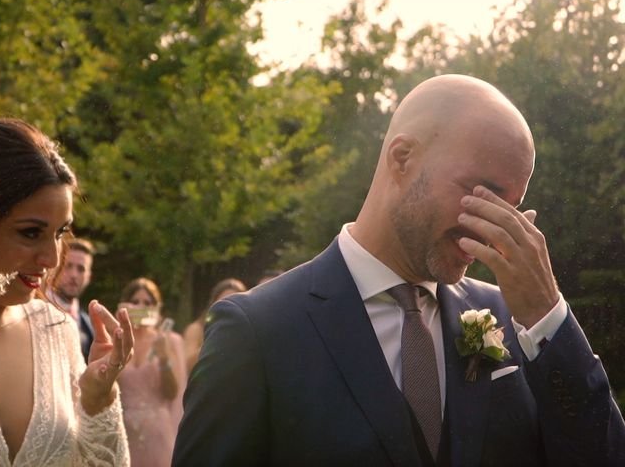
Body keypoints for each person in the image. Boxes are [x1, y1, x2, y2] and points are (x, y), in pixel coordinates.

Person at [172, 75, 625, 466]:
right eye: (481, 192)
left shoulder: (516, 322)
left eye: (510, 207)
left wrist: (550, 318)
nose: (493, 230)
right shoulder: (256, 331)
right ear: (402, 159)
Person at [0, 118, 133, 466]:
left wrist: (98, 401)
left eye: (59, 233)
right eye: (31, 233)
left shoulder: (56, 332)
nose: (52, 258)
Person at [116, 277, 186, 467]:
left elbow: (173, 393)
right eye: (135, 302)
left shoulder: (168, 340)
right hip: (123, 434)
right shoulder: (117, 341)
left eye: (147, 303)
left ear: (156, 308)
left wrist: (164, 359)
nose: (140, 307)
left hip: (159, 434)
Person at [182, 277, 246, 374]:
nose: (228, 308)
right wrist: (216, 337)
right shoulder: (196, 329)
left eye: (235, 303)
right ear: (213, 303)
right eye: (224, 302)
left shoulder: (247, 330)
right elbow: (187, 367)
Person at [49, 238, 95, 361]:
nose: (74, 275)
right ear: (54, 268)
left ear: (88, 277)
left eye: (81, 269)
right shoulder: (33, 309)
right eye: (68, 266)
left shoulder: (90, 325)